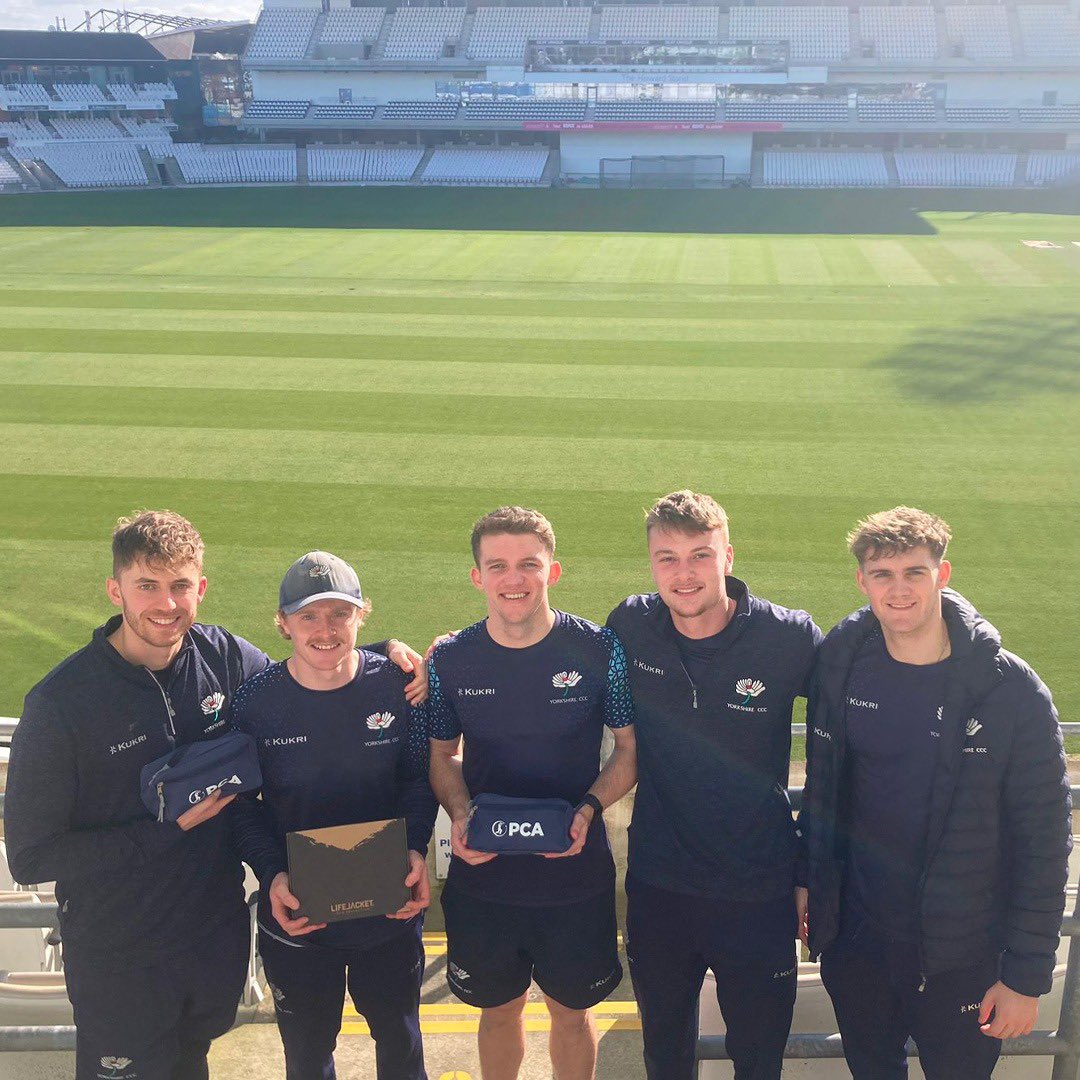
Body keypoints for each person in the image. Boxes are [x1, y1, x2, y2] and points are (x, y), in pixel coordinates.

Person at [3, 512, 426, 1080]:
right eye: (146, 585)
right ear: (115, 589)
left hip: (210, 938)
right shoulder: (60, 704)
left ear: (200, 588)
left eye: (180, 585)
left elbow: (307, 669)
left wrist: (383, 655)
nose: (165, 603)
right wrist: (165, 829)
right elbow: (32, 857)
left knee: (192, 1065)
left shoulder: (223, 659)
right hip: (119, 953)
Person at [798, 506, 1072, 1080]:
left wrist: (1026, 975)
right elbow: (823, 796)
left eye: (914, 573)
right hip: (860, 948)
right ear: (861, 581)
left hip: (965, 959)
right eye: (883, 574)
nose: (899, 590)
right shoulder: (840, 666)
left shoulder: (1011, 690)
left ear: (942, 575)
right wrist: (812, 886)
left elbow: (1046, 842)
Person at [606, 490, 822, 1080]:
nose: (684, 573)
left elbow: (850, 732)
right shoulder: (629, 624)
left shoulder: (789, 638)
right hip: (659, 890)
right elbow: (551, 651)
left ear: (729, 555)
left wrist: (808, 871)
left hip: (758, 892)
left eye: (700, 555)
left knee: (758, 1060)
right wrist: (426, 655)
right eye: (667, 558)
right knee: (665, 1057)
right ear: (651, 563)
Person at [426, 506, 636, 1080]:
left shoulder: (599, 650)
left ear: (554, 571)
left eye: (528, 565)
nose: (513, 579)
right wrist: (462, 814)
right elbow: (441, 755)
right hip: (485, 875)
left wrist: (589, 811)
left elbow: (627, 749)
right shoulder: (450, 657)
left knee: (571, 1015)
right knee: (498, 1013)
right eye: (497, 566)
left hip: (574, 875)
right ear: (477, 576)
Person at [231, 551, 438, 1080]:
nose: (325, 630)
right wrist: (272, 874)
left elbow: (417, 779)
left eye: (339, 614)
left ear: (362, 614)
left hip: (387, 918)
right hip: (298, 920)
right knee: (306, 1058)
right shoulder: (254, 702)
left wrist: (415, 848)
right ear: (283, 623)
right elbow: (241, 805)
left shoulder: (398, 686)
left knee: (400, 1042)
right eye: (308, 616)